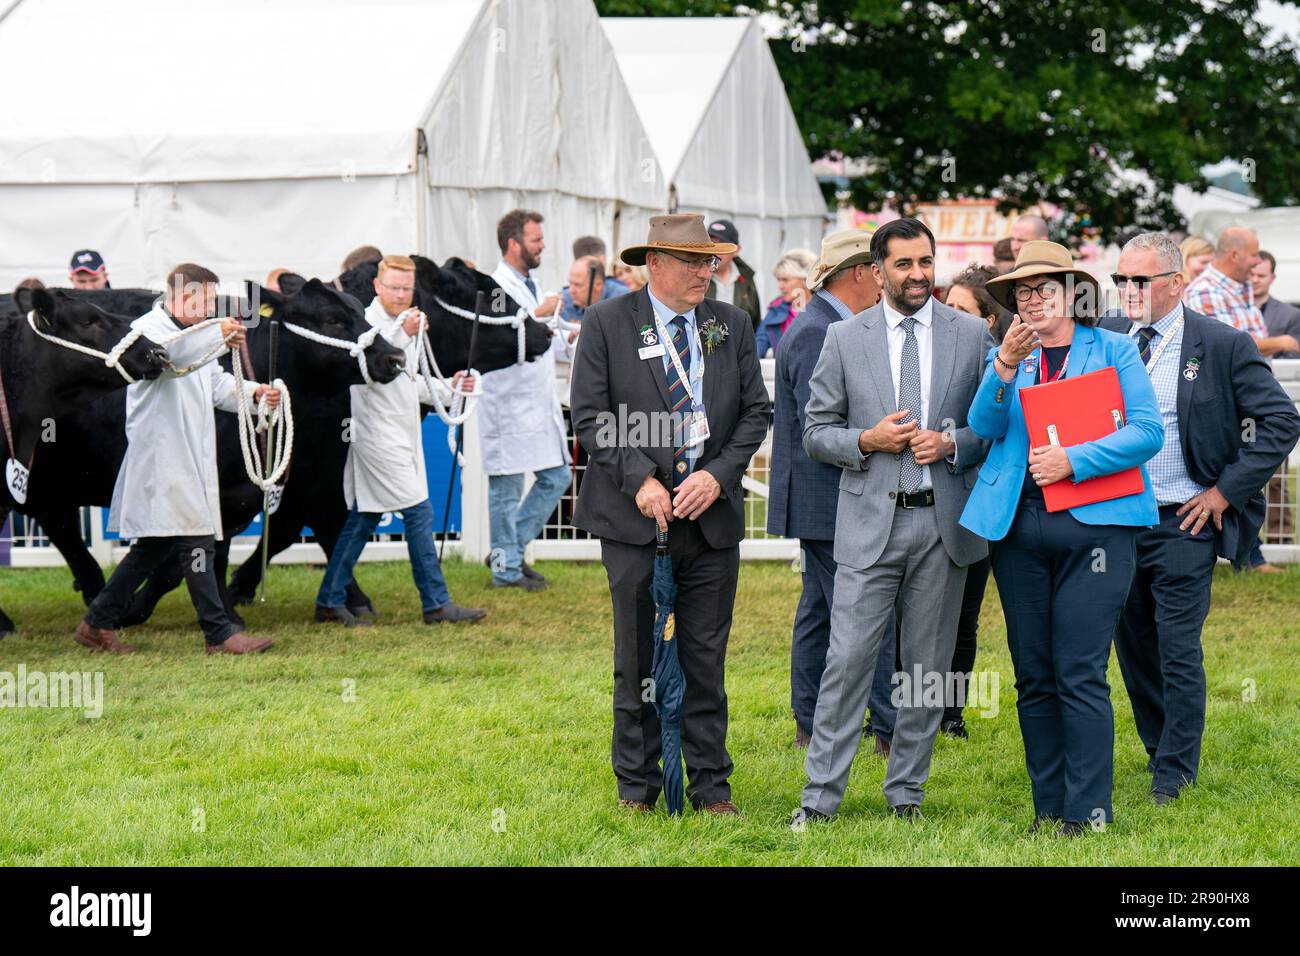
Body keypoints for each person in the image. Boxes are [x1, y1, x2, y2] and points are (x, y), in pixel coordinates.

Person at [793, 218, 993, 826]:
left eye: (925, 262)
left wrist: (954, 442)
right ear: (877, 271)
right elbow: (814, 433)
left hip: (942, 526)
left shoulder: (970, 333)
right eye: (904, 264)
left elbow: (994, 425)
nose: (917, 275)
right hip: (868, 525)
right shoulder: (845, 338)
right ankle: (819, 801)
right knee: (847, 661)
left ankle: (907, 794)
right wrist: (868, 439)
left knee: (927, 670)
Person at [961, 240, 1165, 836]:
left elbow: (1148, 432)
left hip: (1097, 526)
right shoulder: (1010, 355)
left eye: (1044, 289)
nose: (1031, 300)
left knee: (1078, 669)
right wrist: (1001, 367)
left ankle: (1088, 811)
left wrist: (1076, 460)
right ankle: (1048, 808)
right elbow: (981, 428)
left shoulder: (1114, 348)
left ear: (1073, 295)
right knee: (1034, 673)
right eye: (1022, 293)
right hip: (1019, 527)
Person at [570, 214, 768, 815]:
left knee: (704, 658)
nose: (705, 272)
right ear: (654, 264)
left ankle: (711, 788)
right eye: (692, 262)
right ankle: (638, 785)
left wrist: (717, 474)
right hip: (636, 525)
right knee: (637, 658)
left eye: (710, 261)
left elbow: (755, 414)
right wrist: (641, 481)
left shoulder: (730, 323)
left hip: (710, 521)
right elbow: (591, 418)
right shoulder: (607, 322)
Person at [1101, 233, 1299, 804]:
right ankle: (1157, 746)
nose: (1130, 291)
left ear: (1176, 283)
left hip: (1183, 520)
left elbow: (1280, 423)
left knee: (1177, 645)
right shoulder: (1108, 336)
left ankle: (1175, 771)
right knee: (1132, 643)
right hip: (1116, 521)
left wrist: (1222, 493)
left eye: (1141, 280)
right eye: (1122, 280)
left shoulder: (1222, 344)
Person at [76, 264, 281, 655]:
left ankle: (96, 621)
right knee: (198, 542)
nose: (208, 311)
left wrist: (255, 394)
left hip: (187, 457)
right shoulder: (146, 332)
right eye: (204, 303)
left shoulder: (197, 335)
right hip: (163, 458)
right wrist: (214, 338)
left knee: (153, 549)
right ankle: (218, 632)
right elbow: (165, 362)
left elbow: (216, 385)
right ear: (183, 297)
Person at [314, 255, 486, 627]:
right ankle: (436, 603)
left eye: (407, 288)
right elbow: (374, 370)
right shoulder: (367, 324)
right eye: (393, 287)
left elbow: (410, 383)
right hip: (374, 435)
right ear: (377, 286)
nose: (400, 294)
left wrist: (449, 385)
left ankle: (329, 599)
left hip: (402, 434)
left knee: (364, 518)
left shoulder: (406, 325)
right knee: (419, 513)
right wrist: (403, 335)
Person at [767, 229, 885, 750]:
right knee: (860, 613)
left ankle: (811, 721)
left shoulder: (821, 323)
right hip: (827, 497)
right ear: (858, 273)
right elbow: (829, 425)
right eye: (879, 270)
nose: (885, 281)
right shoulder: (821, 331)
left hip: (822, 499)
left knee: (821, 610)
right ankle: (885, 727)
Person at [937, 261, 1012, 738]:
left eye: (961, 310)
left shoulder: (993, 359)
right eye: (947, 306)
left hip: (971, 499)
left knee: (962, 613)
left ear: (987, 320)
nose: (949, 316)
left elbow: (989, 431)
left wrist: (950, 444)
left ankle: (951, 712)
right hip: (931, 494)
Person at [481, 209, 574, 591]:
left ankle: (509, 551)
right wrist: (539, 314)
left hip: (537, 402)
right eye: (536, 240)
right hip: (506, 402)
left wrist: (567, 333)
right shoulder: (492, 289)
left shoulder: (534, 285)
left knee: (557, 477)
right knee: (506, 490)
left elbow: (540, 341)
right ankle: (505, 568)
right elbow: (500, 335)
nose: (542, 245)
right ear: (513, 243)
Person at [1250, 250, 1300, 566]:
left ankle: (1280, 537)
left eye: (1261, 275)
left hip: (1272, 402)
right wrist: (1276, 342)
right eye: (1251, 273)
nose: (1255, 279)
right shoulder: (1233, 308)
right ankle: (1245, 545)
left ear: (1272, 278)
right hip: (1239, 406)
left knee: (1277, 474)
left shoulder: (1288, 315)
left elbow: (1294, 353)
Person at [1184, 227, 1299, 358]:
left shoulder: (1241, 285)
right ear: (1234, 256)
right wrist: (1282, 342)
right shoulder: (1205, 291)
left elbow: (1251, 339)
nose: (1258, 261)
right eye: (1254, 255)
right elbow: (1231, 346)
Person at [755, 249, 816, 357]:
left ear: (805, 280)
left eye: (785, 280)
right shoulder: (775, 311)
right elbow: (758, 345)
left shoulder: (824, 308)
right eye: (778, 280)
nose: (780, 286)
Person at [704, 219, 762, 330]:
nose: (714, 251)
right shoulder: (697, 277)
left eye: (721, 246)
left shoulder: (746, 279)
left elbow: (755, 323)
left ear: (736, 250)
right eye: (711, 245)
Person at [559, 255, 608, 323]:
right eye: (570, 283)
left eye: (578, 285)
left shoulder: (618, 301)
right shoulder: (563, 301)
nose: (571, 291)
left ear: (598, 285)